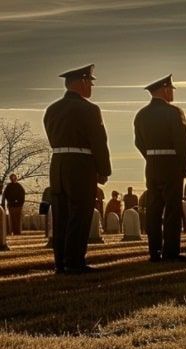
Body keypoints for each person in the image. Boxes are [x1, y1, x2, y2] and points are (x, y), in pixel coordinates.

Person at [43, 64, 112, 274]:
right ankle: (75, 261)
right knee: (80, 214)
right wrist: (104, 169)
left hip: (58, 164)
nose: (91, 87)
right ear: (82, 82)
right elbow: (98, 141)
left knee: (61, 215)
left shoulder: (52, 109)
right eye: (90, 82)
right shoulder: (90, 109)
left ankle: (60, 263)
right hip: (81, 164)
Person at [134, 74, 186, 262]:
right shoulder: (174, 112)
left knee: (154, 208)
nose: (172, 93)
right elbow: (181, 141)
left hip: (152, 164)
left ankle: (154, 251)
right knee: (172, 208)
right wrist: (184, 168)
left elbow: (138, 142)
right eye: (171, 90)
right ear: (165, 90)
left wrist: (151, 156)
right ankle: (171, 251)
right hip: (171, 164)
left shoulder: (141, 114)